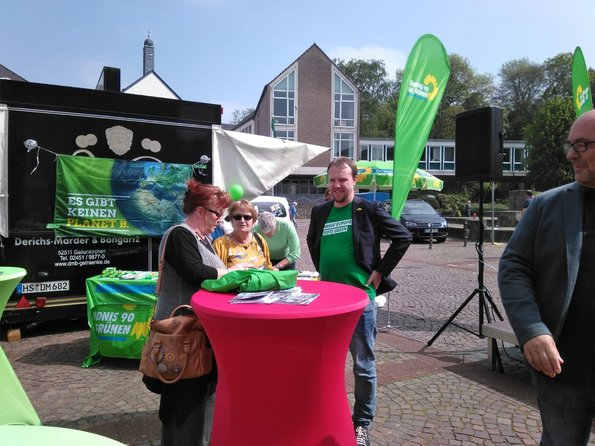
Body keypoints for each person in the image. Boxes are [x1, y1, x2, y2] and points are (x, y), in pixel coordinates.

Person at [498, 109, 595, 446]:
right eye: (570, 145)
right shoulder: (546, 205)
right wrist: (532, 330)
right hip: (561, 370)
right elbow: (513, 267)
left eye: (581, 145)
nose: (571, 154)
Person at [307, 157, 412, 446]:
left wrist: (379, 272)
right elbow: (313, 242)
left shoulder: (369, 210)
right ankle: (326, 415)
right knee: (325, 364)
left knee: (363, 366)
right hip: (327, 301)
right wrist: (324, 272)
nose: (337, 185)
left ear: (355, 180)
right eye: (332, 180)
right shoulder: (320, 211)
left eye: (343, 179)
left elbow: (403, 237)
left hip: (359, 302)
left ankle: (361, 424)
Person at [153, 179, 242, 446]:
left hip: (197, 335)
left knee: (198, 400)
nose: (219, 220)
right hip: (182, 336)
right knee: (185, 403)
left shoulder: (202, 239)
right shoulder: (180, 234)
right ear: (200, 210)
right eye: (217, 213)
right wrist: (231, 272)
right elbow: (195, 272)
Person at [213, 199, 273, 270]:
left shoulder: (258, 239)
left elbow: (268, 266)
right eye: (237, 217)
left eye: (247, 217)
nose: (242, 220)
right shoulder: (221, 244)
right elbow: (219, 273)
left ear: (253, 221)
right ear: (231, 221)